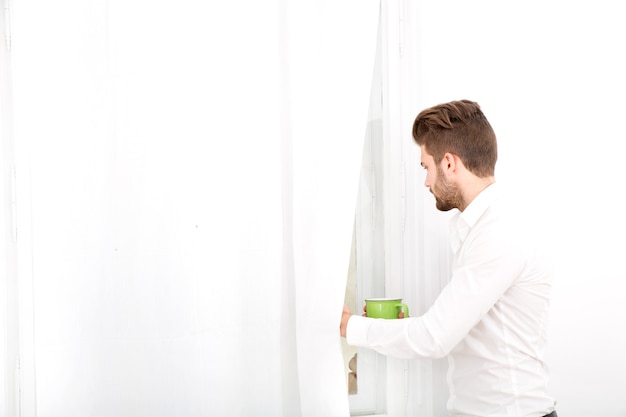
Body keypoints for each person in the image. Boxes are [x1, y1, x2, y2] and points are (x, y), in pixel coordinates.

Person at [340, 100, 558, 417]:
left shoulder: (499, 233)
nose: (426, 182)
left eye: (426, 167)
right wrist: (392, 329)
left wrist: (350, 326)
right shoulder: (481, 227)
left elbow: (434, 338)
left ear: (450, 164)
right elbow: (460, 329)